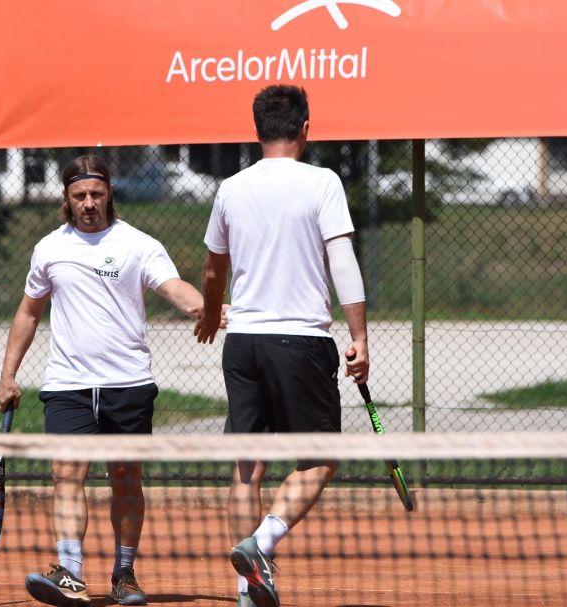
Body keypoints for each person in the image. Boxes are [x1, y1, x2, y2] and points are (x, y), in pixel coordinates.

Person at [0, 153, 207, 607]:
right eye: (80, 195)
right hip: (67, 386)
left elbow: (173, 286)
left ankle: (124, 574)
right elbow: (29, 313)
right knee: (66, 475)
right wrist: (7, 374)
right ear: (67, 198)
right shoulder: (49, 248)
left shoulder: (138, 244)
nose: (89, 203)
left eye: (96, 193)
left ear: (109, 193)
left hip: (127, 384)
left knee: (126, 479)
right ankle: (70, 573)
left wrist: (202, 307)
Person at [194, 84, 369, 607]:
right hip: (301, 341)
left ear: (257, 130)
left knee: (247, 467)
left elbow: (212, 269)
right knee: (321, 457)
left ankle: (246, 589)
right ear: (305, 128)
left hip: (243, 342)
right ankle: (261, 544)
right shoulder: (322, 182)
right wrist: (359, 337)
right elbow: (342, 263)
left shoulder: (231, 188)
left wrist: (211, 312)